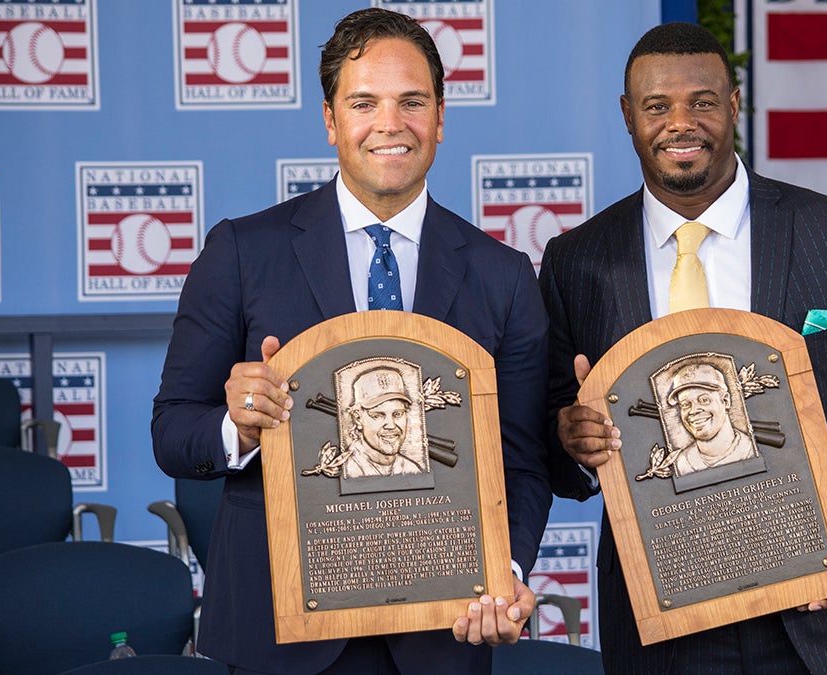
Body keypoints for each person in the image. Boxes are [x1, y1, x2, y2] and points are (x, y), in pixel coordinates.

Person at [539, 21, 827, 674]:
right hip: (664, 627)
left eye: (702, 101)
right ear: (627, 115)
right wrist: (571, 438)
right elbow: (557, 438)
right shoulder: (575, 261)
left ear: (733, 105)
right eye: (657, 105)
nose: (681, 123)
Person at [152, 8, 551, 674]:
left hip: (441, 633)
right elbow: (171, 431)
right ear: (331, 120)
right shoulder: (243, 251)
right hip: (277, 635)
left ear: (441, 118)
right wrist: (237, 427)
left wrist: (503, 572)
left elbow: (523, 464)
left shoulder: (503, 275)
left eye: (412, 102)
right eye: (364, 103)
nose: (390, 124)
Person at [664, 361, 757, 476]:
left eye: (704, 400)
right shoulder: (681, 464)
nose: (693, 410)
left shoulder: (751, 449)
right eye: (685, 404)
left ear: (725, 401)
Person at [344, 366, 425, 478]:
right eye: (377, 416)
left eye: (397, 414)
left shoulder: (411, 468)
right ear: (357, 419)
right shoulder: (348, 469)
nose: (391, 425)